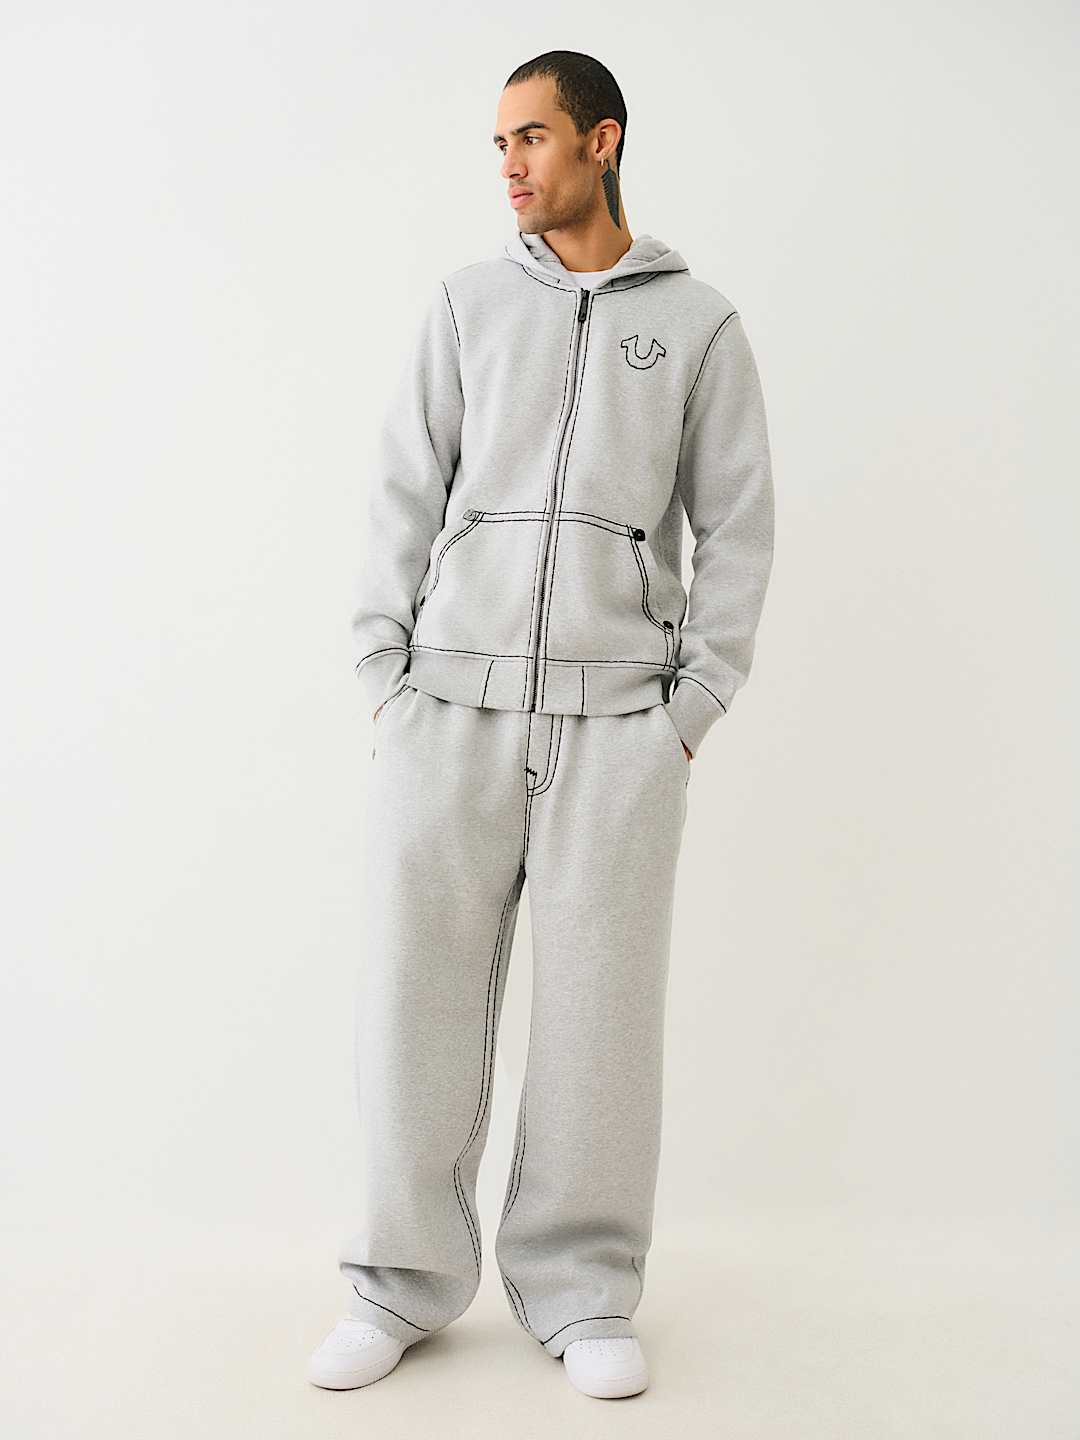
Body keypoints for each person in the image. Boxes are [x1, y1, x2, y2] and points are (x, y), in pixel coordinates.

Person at [308, 49, 775, 1400]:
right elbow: (403, 493)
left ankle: (582, 1291)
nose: (509, 164)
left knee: (599, 1030)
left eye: (532, 136)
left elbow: (737, 529)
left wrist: (688, 712)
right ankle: (395, 1285)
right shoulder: (467, 306)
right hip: (447, 712)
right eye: (500, 142)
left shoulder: (699, 327)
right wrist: (385, 676)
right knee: (413, 1013)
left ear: (602, 142)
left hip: (618, 729)